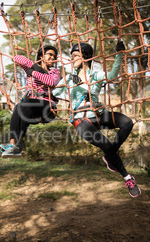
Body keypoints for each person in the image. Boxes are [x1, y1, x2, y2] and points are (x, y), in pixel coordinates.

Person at [53, 41, 141, 198]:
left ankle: (110, 155)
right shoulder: (69, 77)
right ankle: (127, 177)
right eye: (71, 56)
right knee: (106, 144)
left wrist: (119, 55)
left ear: (85, 57)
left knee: (127, 122)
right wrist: (67, 82)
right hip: (81, 121)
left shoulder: (97, 76)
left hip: (98, 114)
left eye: (75, 56)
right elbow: (56, 93)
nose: (72, 59)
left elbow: (113, 75)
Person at [1, 45, 61, 158]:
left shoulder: (55, 72)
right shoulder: (33, 67)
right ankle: (14, 145)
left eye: (54, 56)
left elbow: (51, 82)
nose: (52, 58)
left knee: (22, 106)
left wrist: (34, 73)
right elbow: (17, 58)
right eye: (50, 55)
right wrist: (34, 66)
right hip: (31, 106)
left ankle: (16, 145)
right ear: (41, 56)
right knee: (19, 109)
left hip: (47, 105)